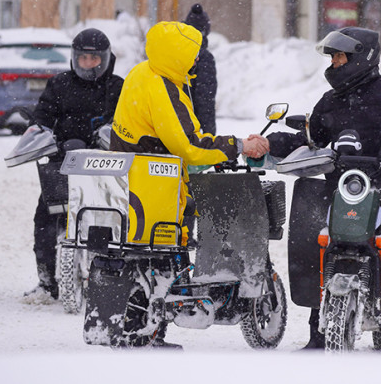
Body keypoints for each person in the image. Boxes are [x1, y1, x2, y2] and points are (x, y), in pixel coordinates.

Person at [262, 27, 381, 352]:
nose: (334, 63)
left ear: (362, 57)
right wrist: (269, 144)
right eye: (332, 57)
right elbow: (309, 137)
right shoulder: (331, 100)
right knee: (320, 249)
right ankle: (319, 336)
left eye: (340, 56)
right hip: (340, 190)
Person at [109, 21, 267, 345]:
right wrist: (237, 145)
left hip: (134, 176)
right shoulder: (162, 85)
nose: (195, 60)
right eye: (192, 54)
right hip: (155, 180)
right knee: (169, 242)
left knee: (156, 247)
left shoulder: (143, 72)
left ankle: (153, 319)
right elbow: (190, 146)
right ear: (178, 55)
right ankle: (155, 324)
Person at [24, 28, 124, 302]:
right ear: (74, 58)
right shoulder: (59, 84)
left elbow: (126, 123)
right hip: (62, 166)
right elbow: (43, 114)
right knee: (44, 219)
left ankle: (111, 280)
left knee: (113, 222)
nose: (88, 64)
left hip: (104, 168)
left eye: (94, 59)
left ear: (105, 58)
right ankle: (46, 283)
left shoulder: (118, 87)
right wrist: (39, 129)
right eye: (83, 59)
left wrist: (107, 134)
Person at [184, 3, 218, 135]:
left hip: (170, 121)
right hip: (190, 125)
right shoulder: (204, 58)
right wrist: (210, 133)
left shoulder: (175, 50)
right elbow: (205, 99)